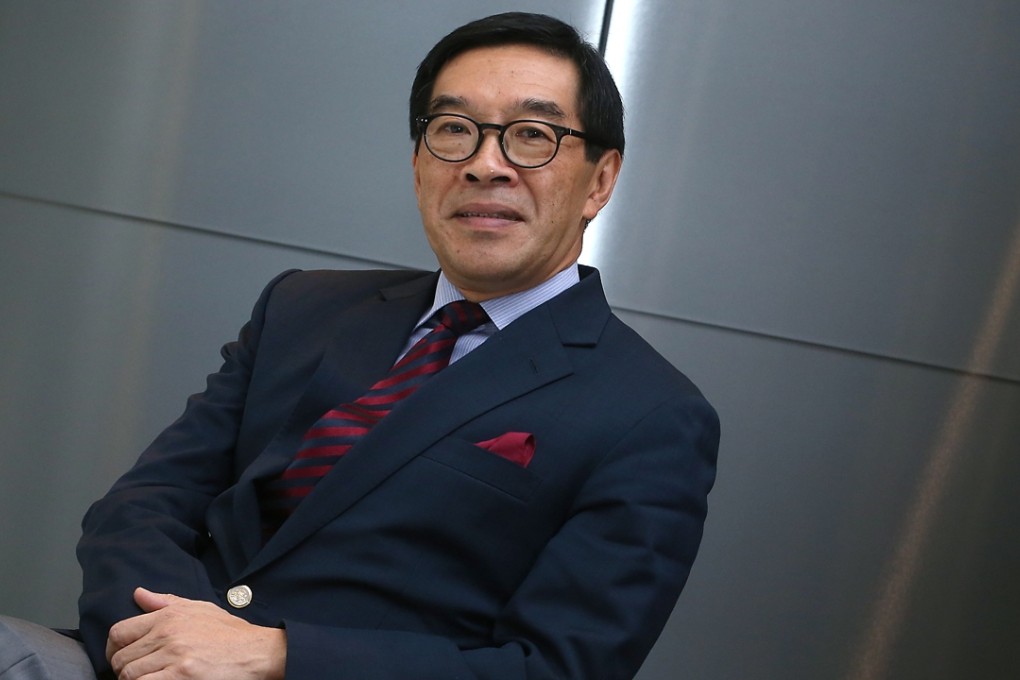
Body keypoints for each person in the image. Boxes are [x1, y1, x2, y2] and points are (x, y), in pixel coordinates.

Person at [2, 11, 719, 680]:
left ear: (600, 180)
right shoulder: (304, 306)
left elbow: (557, 666)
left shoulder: (650, 415)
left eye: (532, 136)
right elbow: (142, 506)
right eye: (453, 129)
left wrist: (277, 657)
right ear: (418, 164)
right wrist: (166, 647)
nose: (484, 164)